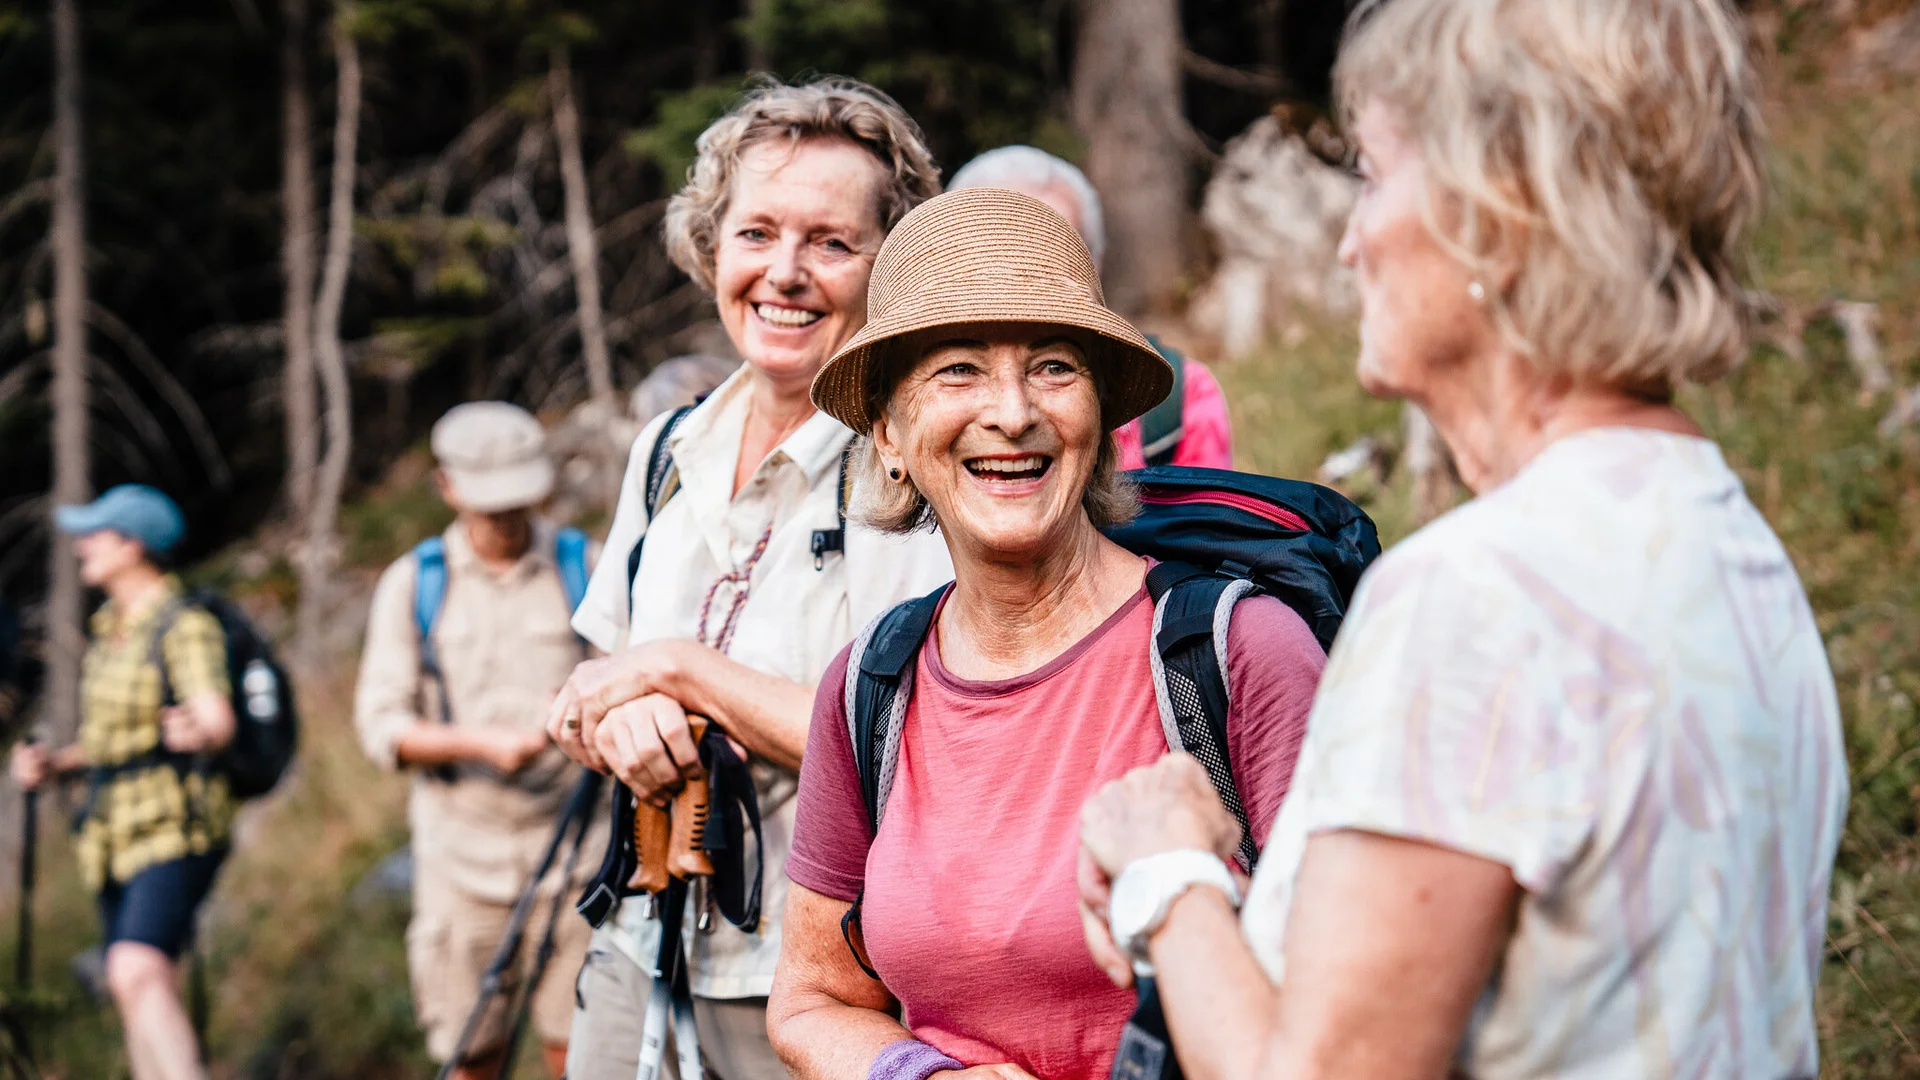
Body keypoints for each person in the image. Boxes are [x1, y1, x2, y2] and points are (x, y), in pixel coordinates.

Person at [1074, 2, 1851, 1079]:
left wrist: (1165, 867)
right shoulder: (1731, 541)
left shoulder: (1481, 596)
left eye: (1376, 174)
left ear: (1506, 210)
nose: (1348, 241)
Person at [766, 188, 1326, 1080]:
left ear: (1100, 420)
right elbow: (813, 1001)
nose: (1014, 411)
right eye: (958, 370)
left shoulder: (1236, 653)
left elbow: (1345, 1001)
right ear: (891, 435)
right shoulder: (871, 686)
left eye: (1054, 367)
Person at [544, 78, 952, 1080]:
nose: (786, 273)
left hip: (815, 986)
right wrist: (604, 720)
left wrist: (680, 672)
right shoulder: (666, 450)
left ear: (886, 266)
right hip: (637, 943)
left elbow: (903, 740)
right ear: (711, 247)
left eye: (830, 242)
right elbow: (603, 672)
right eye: (756, 233)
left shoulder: (913, 465)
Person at [353, 401, 607, 1080]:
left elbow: (630, 684)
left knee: (579, 1055)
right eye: (488, 502)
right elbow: (381, 725)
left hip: (579, 858)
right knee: (471, 1054)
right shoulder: (414, 585)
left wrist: (582, 719)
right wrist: (480, 744)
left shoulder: (585, 565)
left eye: (517, 498)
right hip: (459, 865)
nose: (505, 516)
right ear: (447, 486)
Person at [9, 484, 233, 1080]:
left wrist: (200, 729)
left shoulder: (183, 624)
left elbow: (215, 717)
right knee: (136, 983)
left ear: (134, 545)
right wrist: (55, 765)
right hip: (111, 837)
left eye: (97, 533)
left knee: (134, 968)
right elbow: (118, 741)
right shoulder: (113, 628)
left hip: (174, 826)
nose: (83, 545)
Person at [947, 145, 1233, 470]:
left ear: (1094, 265)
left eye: (1060, 254)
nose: (1029, 280)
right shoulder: (915, 394)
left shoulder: (1179, 398)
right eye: (1001, 254)